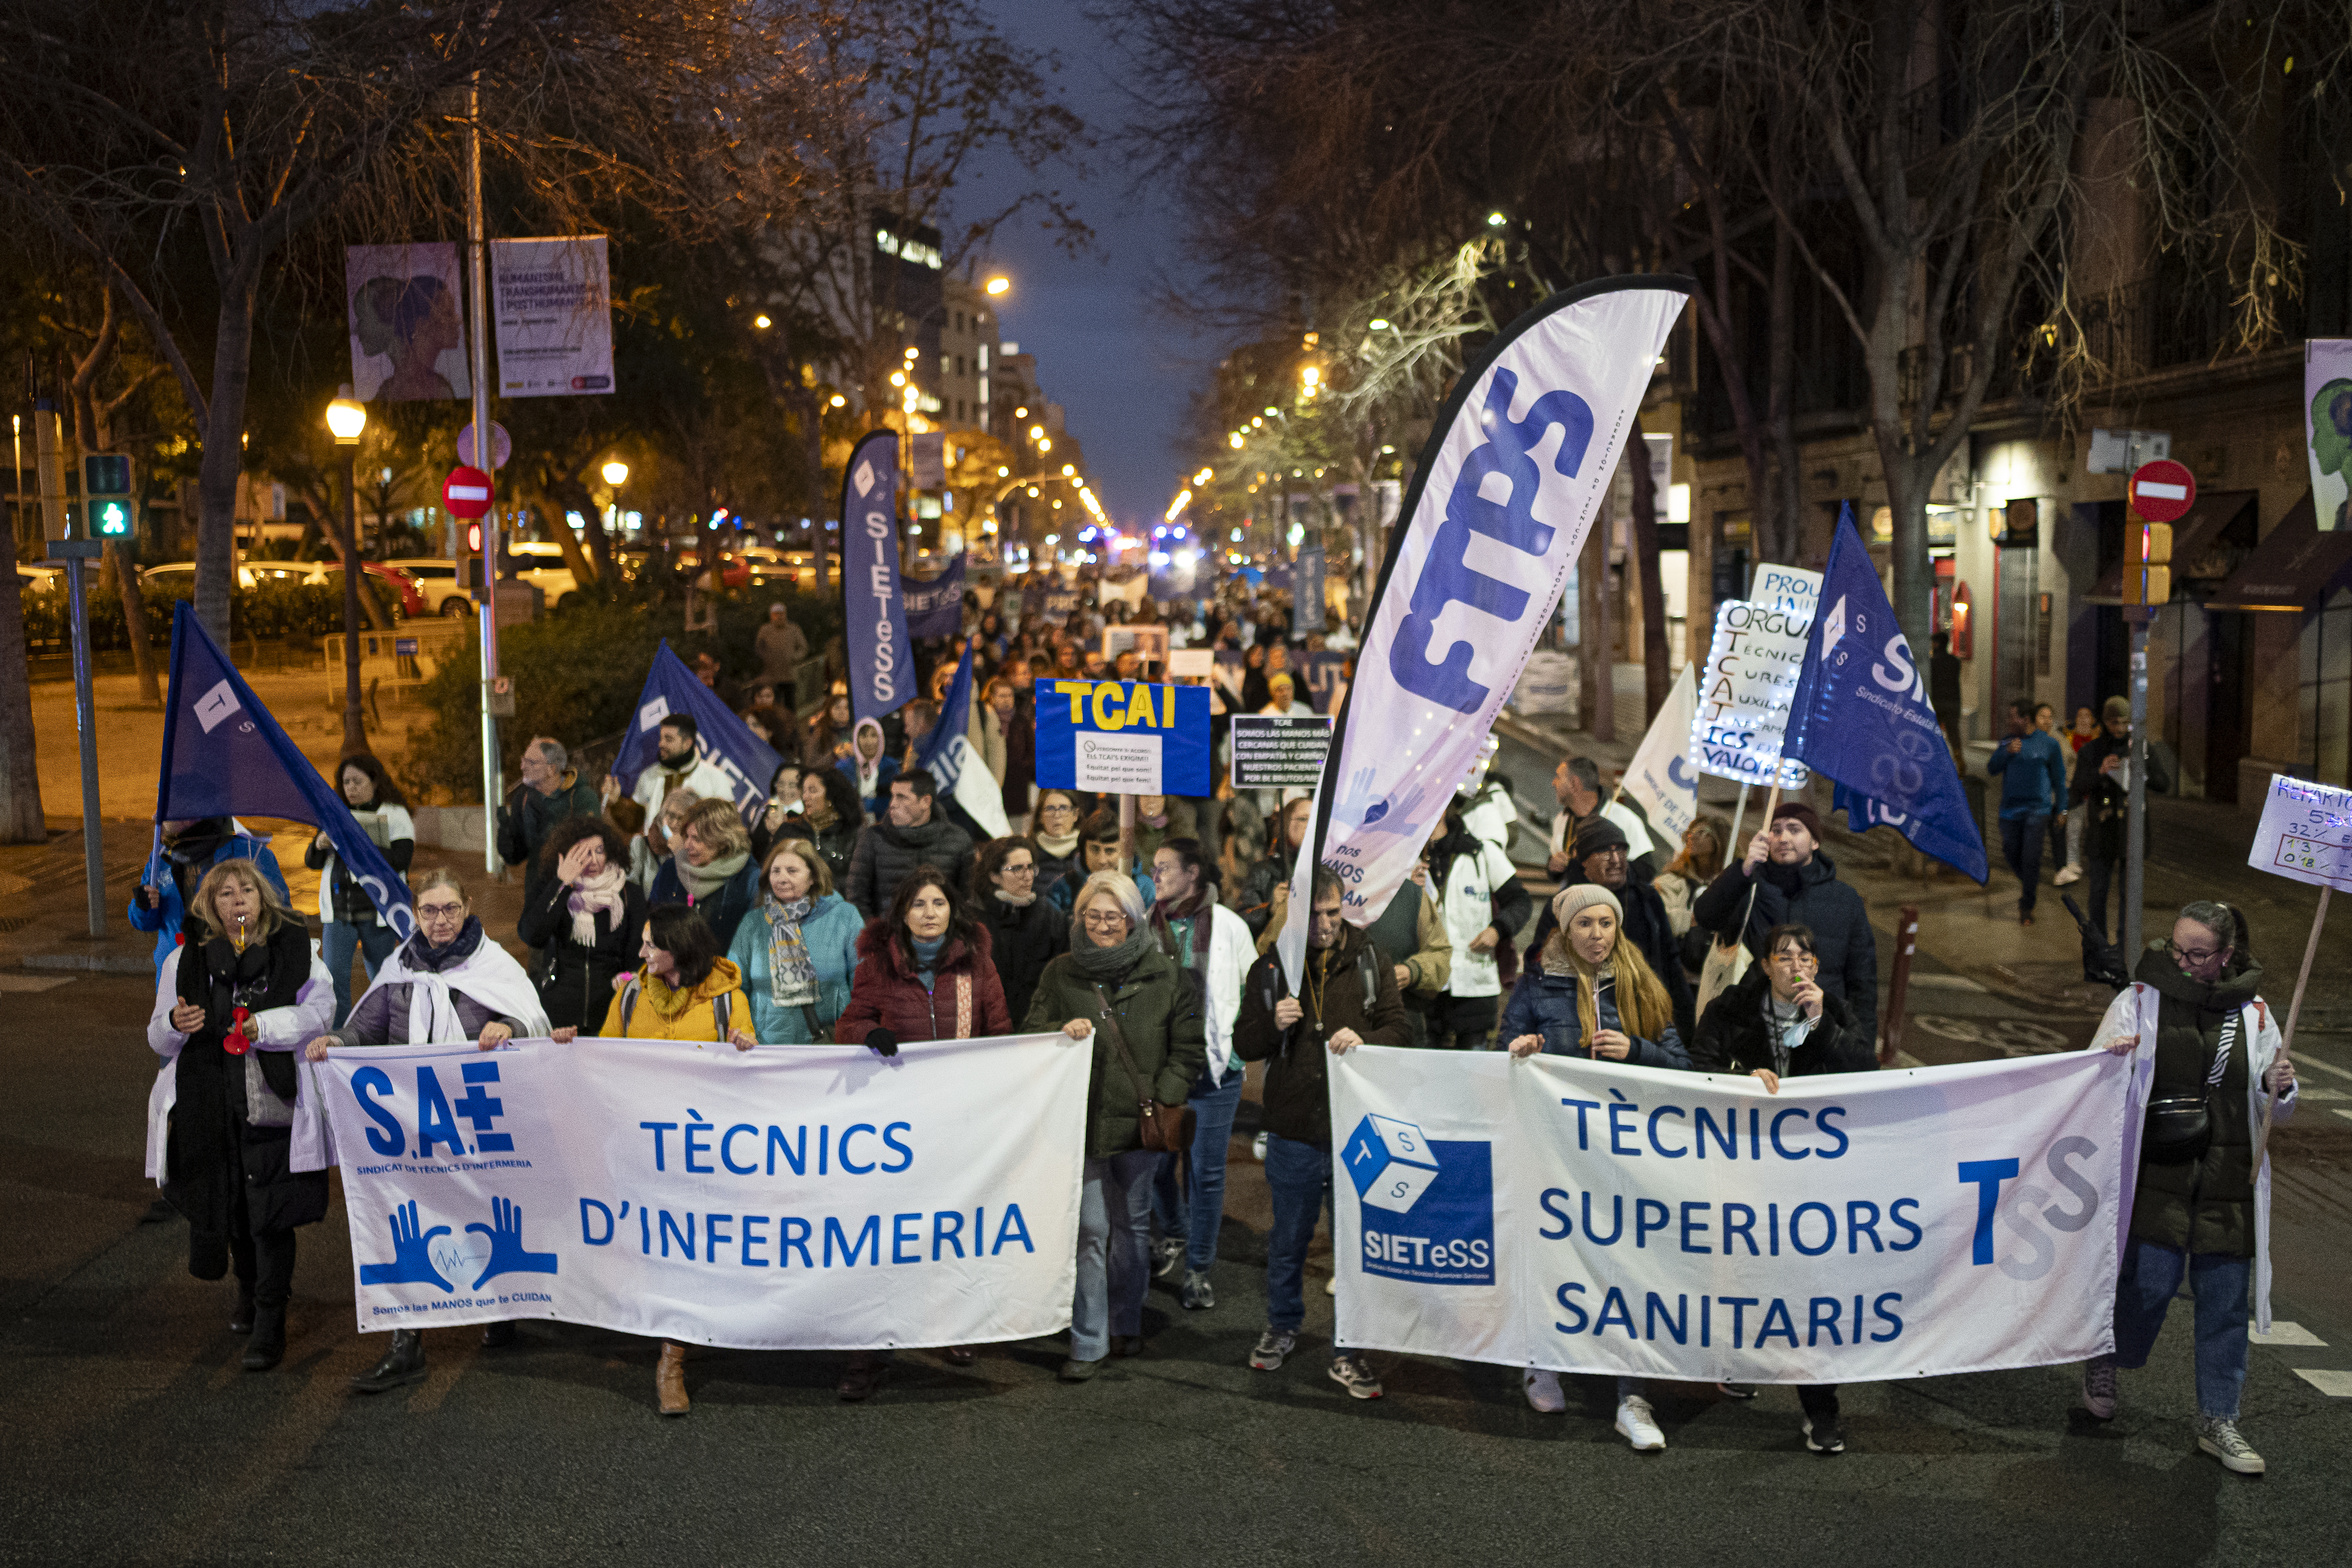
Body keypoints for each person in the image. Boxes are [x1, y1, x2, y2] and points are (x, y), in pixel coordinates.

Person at [300, 871, 550, 1391]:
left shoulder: (495, 966)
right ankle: (405, 1343)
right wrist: (337, 1042)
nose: (441, 921)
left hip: (475, 1129)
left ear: (468, 906)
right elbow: (366, 1026)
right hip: (412, 1130)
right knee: (405, 1224)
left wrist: (512, 1028)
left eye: (451, 910)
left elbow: (536, 1024)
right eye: (430, 911)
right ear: (415, 914)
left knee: (481, 1214)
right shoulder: (398, 968)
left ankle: (498, 1309)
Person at [2081, 900, 2297, 1476]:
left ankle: (2218, 1419)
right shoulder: (2141, 1000)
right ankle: (2108, 1357)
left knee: (2225, 1306)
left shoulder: (2254, 1014)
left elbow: (2275, 1106)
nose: (2182, 961)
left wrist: (2282, 1085)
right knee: (2147, 1288)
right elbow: (2093, 1082)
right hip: (2159, 1174)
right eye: (2176, 949)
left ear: (2226, 956)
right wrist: (2111, 1061)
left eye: (2197, 954)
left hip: (2229, 1182)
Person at [1502, 882, 1690, 1446]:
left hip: (1625, 1158)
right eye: (1585, 924)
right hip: (1555, 1155)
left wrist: (1638, 1051)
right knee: (1553, 1261)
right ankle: (1545, 1361)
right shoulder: (1537, 985)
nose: (1597, 935)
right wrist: (1524, 1052)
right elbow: (1503, 1051)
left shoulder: (1641, 983)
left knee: (1625, 1270)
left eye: (1606, 923)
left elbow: (1682, 1065)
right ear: (1565, 930)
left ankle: (1631, 1396)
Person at [549, 904, 753, 1416]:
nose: (640, 953)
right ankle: (671, 1338)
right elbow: (605, 1060)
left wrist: (747, 1048)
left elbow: (752, 1077)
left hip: (702, 1150)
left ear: (679, 949)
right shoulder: (632, 993)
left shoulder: (730, 1001)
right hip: (642, 1146)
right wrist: (571, 1047)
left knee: (688, 1247)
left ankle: (672, 1360)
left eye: (650, 945)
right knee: (656, 1244)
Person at [1687, 922, 1878, 1451]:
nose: (1796, 964)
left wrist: (1824, 1027)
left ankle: (1821, 1410)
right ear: (1766, 965)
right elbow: (1696, 1069)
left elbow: (1868, 1072)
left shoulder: (1833, 1012)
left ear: (1816, 967)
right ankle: (1744, 1359)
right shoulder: (1730, 1010)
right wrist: (1739, 1079)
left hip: (1810, 1174)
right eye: (1783, 955)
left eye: (1805, 957)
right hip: (1745, 1167)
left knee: (1809, 1286)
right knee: (1743, 1271)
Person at [142, 859, 333, 1372]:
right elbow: (158, 1036)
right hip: (210, 1105)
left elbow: (321, 1014)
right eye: (225, 893)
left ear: (263, 898)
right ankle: (247, 1293)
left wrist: (262, 1029)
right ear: (210, 904)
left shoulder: (296, 950)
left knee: (270, 1215)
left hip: (271, 1103)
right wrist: (176, 1023)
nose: (237, 900)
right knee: (233, 1212)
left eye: (246, 890)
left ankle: (271, 1321)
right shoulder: (184, 959)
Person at [833, 868, 1012, 1399]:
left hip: (958, 1122)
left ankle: (950, 1328)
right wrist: (873, 1032)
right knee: (885, 1235)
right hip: (895, 1126)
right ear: (902, 914)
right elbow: (849, 1024)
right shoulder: (876, 966)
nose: (930, 913)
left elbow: (1000, 1036)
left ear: (953, 910)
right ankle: (871, 1349)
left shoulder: (978, 966)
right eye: (919, 905)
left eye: (938, 903)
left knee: (949, 1228)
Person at [1231, 865, 1409, 1399]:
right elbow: (1245, 1044)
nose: (1328, 925)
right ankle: (1283, 1327)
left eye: (1335, 913)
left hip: (1356, 1132)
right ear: (1296, 913)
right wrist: (1273, 1024)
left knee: (1354, 1248)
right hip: (1293, 1129)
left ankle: (1349, 1350)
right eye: (1317, 915)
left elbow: (1402, 1029)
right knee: (1289, 1240)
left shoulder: (1373, 959)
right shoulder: (1271, 967)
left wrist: (1367, 1037)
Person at [1025, 871, 1206, 1381]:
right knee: (1090, 1231)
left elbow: (1189, 1048)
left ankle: (1127, 1321)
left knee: (1131, 1229)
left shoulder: (1168, 976)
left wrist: (1163, 1097)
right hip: (1078, 1125)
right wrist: (1058, 1032)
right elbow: (1030, 1035)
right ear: (1080, 918)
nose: (1104, 926)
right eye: (1094, 916)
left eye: (1114, 917)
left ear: (1134, 920)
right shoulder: (1060, 974)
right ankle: (1088, 1341)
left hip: (1138, 1130)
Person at [1142, 838, 1258, 1309]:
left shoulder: (1230, 927)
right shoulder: (1145, 926)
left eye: (1165, 868)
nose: (1156, 876)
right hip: (1161, 1072)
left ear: (1193, 873)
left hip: (1214, 1077)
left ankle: (1198, 1268)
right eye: (1153, 868)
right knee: (1155, 1165)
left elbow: (1252, 992)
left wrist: (1233, 1055)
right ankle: (1174, 1231)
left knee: (1206, 1174)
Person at [1691, 801, 1878, 1046]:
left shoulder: (1845, 899)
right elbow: (1707, 917)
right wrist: (1744, 870)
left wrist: (1861, 1045)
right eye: (1776, 830)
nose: (1783, 838)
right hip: (1753, 1031)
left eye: (1794, 829)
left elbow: (1862, 980)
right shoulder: (1751, 885)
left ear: (1815, 842)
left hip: (1818, 1033)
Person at [1523, 818, 1695, 1045]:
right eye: (1604, 851)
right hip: (1583, 1022)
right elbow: (1538, 966)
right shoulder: (1563, 906)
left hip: (1645, 1017)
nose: (1616, 860)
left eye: (1621, 850)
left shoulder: (1647, 899)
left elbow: (1670, 961)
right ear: (1584, 862)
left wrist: (1686, 1025)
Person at [304, 754, 415, 1025]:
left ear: (375, 782)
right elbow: (312, 862)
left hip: (378, 910)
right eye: (346, 782)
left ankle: (389, 1028)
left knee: (383, 975)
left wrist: (360, 844)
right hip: (340, 911)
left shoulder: (394, 813)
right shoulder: (334, 812)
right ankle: (340, 1033)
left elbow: (402, 858)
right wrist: (319, 843)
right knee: (334, 977)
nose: (351, 788)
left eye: (358, 781)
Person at [517, 816, 647, 1033]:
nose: (594, 860)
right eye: (584, 852)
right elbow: (532, 935)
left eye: (600, 851)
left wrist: (629, 977)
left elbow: (638, 953)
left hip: (611, 1006)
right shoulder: (551, 886)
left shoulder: (628, 894)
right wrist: (562, 884)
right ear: (568, 854)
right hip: (559, 1006)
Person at [726, 839, 863, 1043]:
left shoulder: (845, 916)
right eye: (776, 871)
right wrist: (743, 1031)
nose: (782, 878)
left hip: (831, 1046)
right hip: (766, 1046)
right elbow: (734, 985)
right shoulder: (752, 924)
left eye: (792, 871)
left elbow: (863, 980)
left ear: (812, 878)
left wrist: (859, 1029)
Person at [1421, 801, 1532, 1050]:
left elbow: (1520, 900)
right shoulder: (1405, 856)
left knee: (1470, 1074)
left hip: (1473, 983)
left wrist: (1498, 929)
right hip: (1423, 983)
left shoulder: (1481, 853)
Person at [131, 816, 290, 976]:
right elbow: (147, 923)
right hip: (174, 977)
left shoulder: (250, 853)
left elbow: (280, 918)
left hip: (230, 979)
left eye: (166, 805)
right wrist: (143, 907)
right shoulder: (161, 857)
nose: (155, 815)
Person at [2071, 695, 2173, 943]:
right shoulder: (2092, 751)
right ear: (2105, 722)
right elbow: (2077, 788)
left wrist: (2143, 771)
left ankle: (2125, 945)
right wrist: (2101, 771)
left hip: (2132, 830)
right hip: (2103, 830)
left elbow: (2164, 784)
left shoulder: (2142, 748)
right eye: (2114, 722)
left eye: (2125, 723)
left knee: (2130, 893)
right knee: (2098, 892)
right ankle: (2099, 945)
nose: (2119, 729)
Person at [846, 771, 977, 920]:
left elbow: (966, 900)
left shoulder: (958, 840)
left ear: (925, 802)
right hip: (887, 937)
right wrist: (875, 935)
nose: (893, 804)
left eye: (902, 797)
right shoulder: (873, 838)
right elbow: (856, 897)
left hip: (941, 937)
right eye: (893, 796)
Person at [1356, 844, 1452, 1047]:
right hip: (1341, 1027)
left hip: (1401, 1024)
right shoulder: (1329, 892)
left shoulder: (1412, 896)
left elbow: (1440, 955)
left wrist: (1413, 971)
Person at [1986, 697, 2069, 925]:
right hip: (2010, 810)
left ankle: (2027, 905)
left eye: (2013, 716)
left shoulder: (2049, 744)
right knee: (2011, 852)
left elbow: (2059, 780)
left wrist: (2062, 809)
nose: (2009, 721)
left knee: (2031, 857)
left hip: (2038, 809)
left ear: (2025, 719)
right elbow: (1992, 768)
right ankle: (2029, 882)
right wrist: (2006, 753)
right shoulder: (2007, 742)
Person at [971, 836, 1068, 1026]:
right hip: (988, 1027)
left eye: (1030, 867)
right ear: (994, 876)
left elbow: (1061, 974)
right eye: (1016, 869)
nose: (1027, 876)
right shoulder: (975, 919)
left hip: (1037, 1024)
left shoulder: (1049, 915)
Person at [497, 736, 601, 906]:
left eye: (531, 762)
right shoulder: (523, 798)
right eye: (523, 760)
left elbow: (591, 851)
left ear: (551, 770)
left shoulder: (582, 798)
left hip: (575, 898)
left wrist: (548, 826)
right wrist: (506, 833)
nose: (522, 767)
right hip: (537, 897)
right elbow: (516, 856)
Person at [648, 797, 762, 947]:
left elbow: (753, 942)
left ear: (723, 841)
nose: (688, 845)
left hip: (725, 968)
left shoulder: (750, 879)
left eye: (697, 839)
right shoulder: (671, 870)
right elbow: (652, 925)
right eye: (687, 836)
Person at [1548, 755, 1659, 884]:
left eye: (1558, 777)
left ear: (1574, 783)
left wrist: (1607, 871)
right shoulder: (1561, 820)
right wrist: (1554, 867)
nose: (1554, 782)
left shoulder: (1624, 819)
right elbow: (1557, 868)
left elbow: (1646, 871)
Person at [1653, 814, 1728, 973]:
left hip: (1721, 970)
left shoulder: (1734, 882)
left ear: (1719, 840)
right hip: (1679, 970)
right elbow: (1659, 922)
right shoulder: (1669, 882)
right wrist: (1694, 918)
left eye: (1701, 832)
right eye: (1688, 833)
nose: (1691, 837)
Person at [626, 714, 734, 821]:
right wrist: (616, 804)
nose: (661, 744)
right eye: (661, 738)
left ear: (687, 744)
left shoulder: (716, 779)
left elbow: (726, 827)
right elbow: (633, 824)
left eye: (668, 739)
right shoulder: (648, 775)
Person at [1238, 795, 1311, 937]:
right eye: (1303, 819)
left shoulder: (1330, 866)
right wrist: (1270, 908)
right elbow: (1242, 921)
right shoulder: (1263, 871)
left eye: (1315, 819)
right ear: (1286, 823)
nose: (1311, 824)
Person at [2055, 705, 2100, 887]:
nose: (2083, 719)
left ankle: (2096, 861)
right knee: (2073, 828)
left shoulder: (2098, 740)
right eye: (2080, 716)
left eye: (2087, 716)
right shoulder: (2068, 738)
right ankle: (2073, 861)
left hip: (2095, 792)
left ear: (2092, 720)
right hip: (2076, 790)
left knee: (2095, 829)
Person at [796, 765, 863, 886]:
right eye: (804, 791)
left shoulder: (855, 834)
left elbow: (859, 883)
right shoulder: (793, 829)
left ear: (831, 796)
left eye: (812, 791)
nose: (805, 797)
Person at [988, 677, 1034, 831]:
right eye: (1002, 696)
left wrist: (1024, 768)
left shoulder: (1021, 721)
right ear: (992, 698)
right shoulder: (986, 721)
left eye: (1010, 696)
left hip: (1016, 786)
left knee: (1015, 832)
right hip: (992, 784)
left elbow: (1031, 751)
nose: (1007, 700)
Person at [839, 717, 899, 818]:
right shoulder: (843, 768)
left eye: (873, 735)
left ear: (881, 738)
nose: (869, 741)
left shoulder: (890, 766)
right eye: (863, 736)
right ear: (856, 739)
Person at [1030, 789, 1086, 891]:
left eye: (1063, 808)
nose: (1057, 815)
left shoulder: (1087, 850)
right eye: (1050, 809)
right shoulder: (1028, 852)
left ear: (1075, 815)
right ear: (1041, 816)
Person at [750, 760, 804, 864]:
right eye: (781, 784)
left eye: (792, 785)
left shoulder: (804, 818)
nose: (785, 790)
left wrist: (777, 833)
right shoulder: (767, 808)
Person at [1929, 630, 1966, 768]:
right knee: (1954, 735)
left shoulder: (1932, 663)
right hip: (1953, 703)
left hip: (1937, 703)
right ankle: (1960, 762)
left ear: (1937, 644)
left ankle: (1934, 761)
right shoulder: (1955, 662)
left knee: (1933, 733)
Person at [754, 601, 809, 691]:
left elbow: (803, 647)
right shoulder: (765, 630)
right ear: (772, 616)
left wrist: (794, 657)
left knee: (790, 702)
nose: (779, 617)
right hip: (771, 676)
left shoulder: (794, 629)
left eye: (781, 614)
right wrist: (767, 658)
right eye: (776, 614)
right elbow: (759, 647)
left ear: (785, 615)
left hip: (790, 675)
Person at [802, 691, 853, 771]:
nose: (842, 712)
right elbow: (810, 764)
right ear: (829, 709)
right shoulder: (820, 732)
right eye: (837, 707)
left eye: (846, 708)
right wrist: (834, 755)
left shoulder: (856, 731)